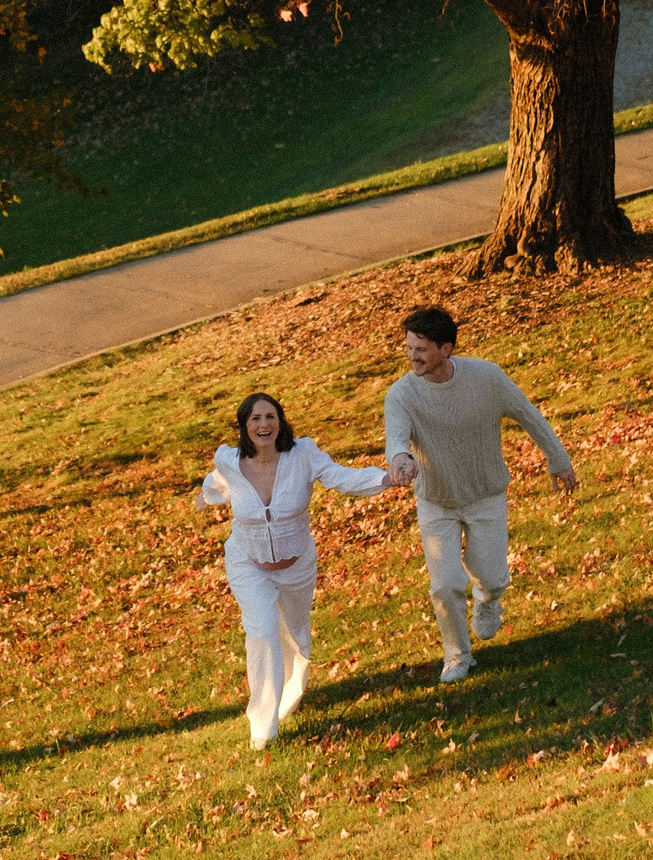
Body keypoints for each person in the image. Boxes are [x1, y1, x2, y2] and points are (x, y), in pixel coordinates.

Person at [198, 392, 413, 750]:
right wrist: (204, 499)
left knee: (295, 636)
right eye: (255, 419)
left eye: (270, 417)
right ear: (243, 426)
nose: (263, 425)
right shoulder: (229, 461)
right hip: (247, 563)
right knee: (263, 630)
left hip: (296, 564)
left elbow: (340, 477)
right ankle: (263, 728)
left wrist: (385, 480)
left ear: (280, 421)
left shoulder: (303, 455)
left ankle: (291, 691)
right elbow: (217, 483)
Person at [382, 305, 575, 683]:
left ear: (446, 348)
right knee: (445, 584)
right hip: (436, 499)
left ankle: (488, 599)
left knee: (492, 575)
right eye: (408, 347)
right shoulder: (401, 394)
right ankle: (457, 656)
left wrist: (558, 459)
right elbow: (395, 438)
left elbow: (527, 414)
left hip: (485, 493)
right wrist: (400, 459)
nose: (412, 356)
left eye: (421, 348)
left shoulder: (486, 377)